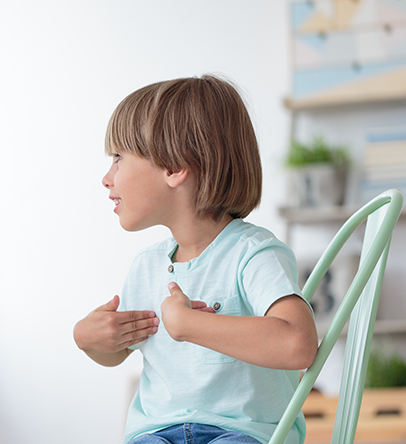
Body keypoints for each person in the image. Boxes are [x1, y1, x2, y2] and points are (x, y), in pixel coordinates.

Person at [73, 75, 317, 444]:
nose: (107, 178)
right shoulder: (146, 266)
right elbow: (119, 353)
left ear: (173, 167)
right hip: (156, 433)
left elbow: (298, 344)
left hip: (242, 433)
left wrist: (189, 325)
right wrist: (92, 340)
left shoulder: (252, 253)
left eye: (119, 158)